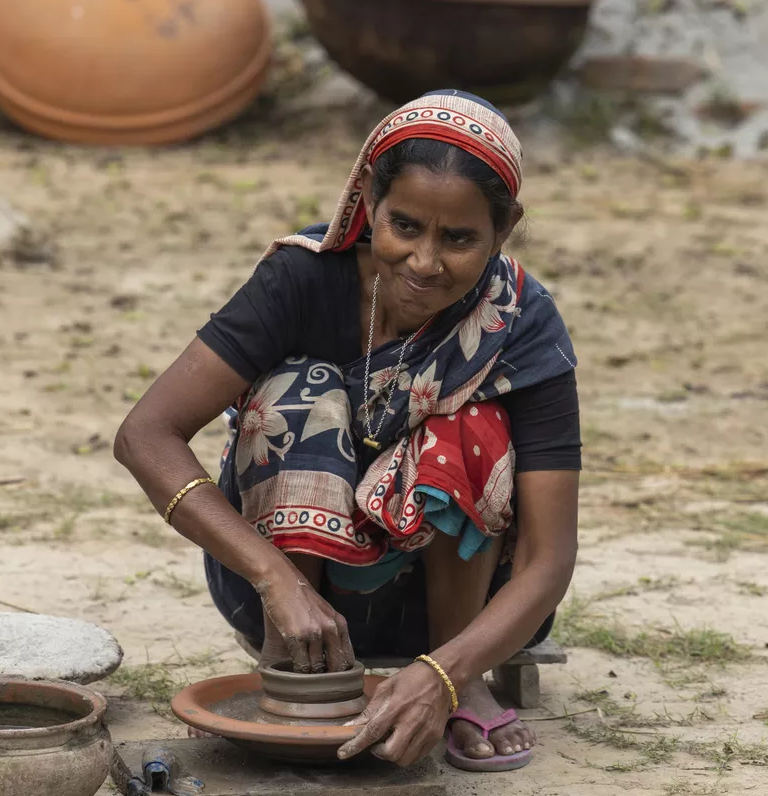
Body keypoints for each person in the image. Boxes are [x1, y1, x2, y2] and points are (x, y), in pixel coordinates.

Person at [115, 90, 580, 773]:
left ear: (503, 230)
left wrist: (446, 672)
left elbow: (549, 557)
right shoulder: (302, 279)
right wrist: (274, 578)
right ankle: (300, 667)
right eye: (405, 226)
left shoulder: (521, 321)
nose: (424, 262)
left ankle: (460, 679)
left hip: (463, 612)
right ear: (366, 201)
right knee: (298, 392)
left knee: (469, 420)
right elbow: (144, 435)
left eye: (459, 239)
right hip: (288, 595)